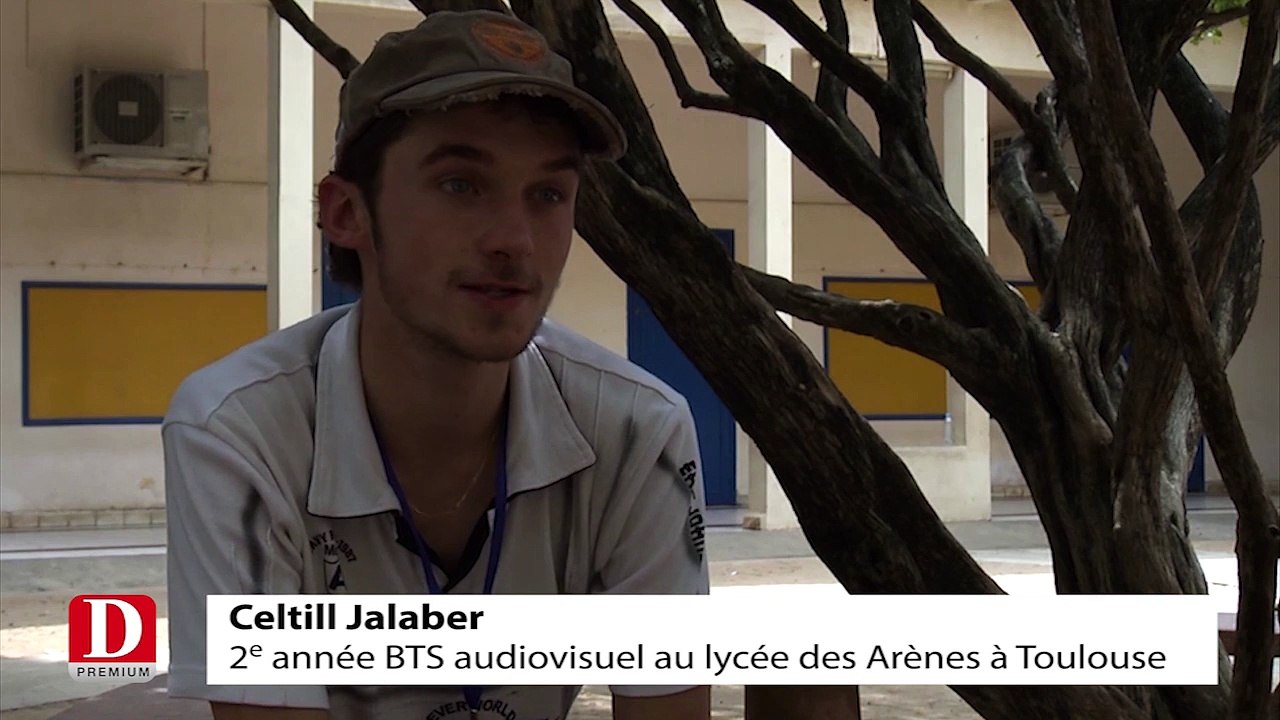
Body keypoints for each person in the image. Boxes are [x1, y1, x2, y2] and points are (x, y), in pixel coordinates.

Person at [162, 10, 710, 720]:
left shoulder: (638, 429)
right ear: (346, 213)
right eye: (460, 184)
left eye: (548, 194)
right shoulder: (238, 430)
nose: (515, 240)